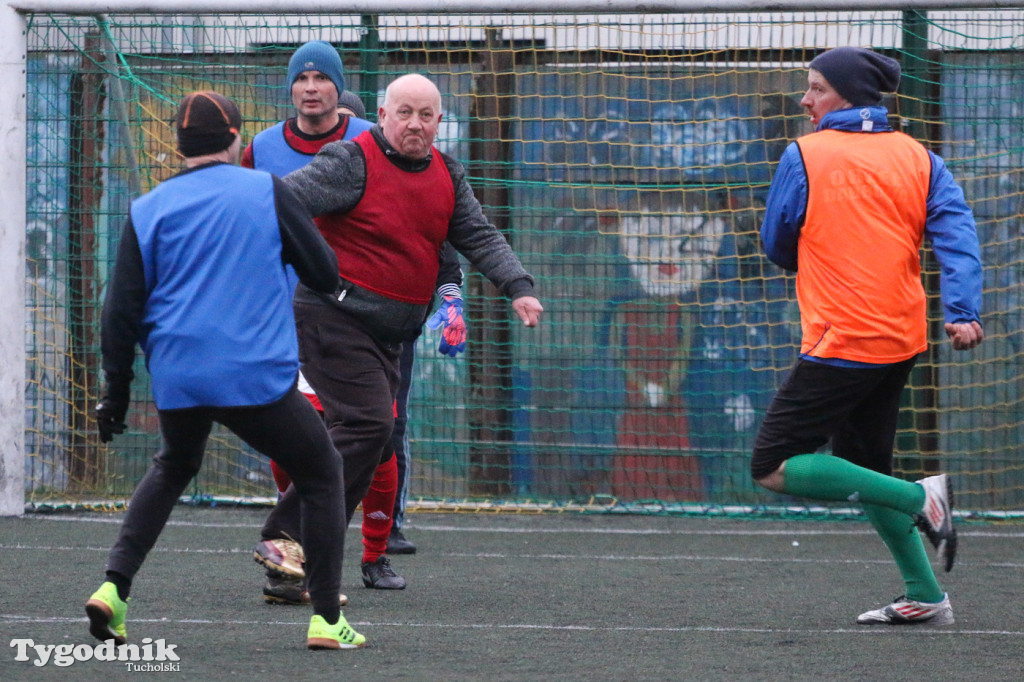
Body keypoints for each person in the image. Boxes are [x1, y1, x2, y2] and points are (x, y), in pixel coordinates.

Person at [86, 91, 364, 650]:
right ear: (237, 138)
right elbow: (321, 267)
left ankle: (113, 589)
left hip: (179, 376)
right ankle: (329, 619)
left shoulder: (148, 209)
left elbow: (119, 312)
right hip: (252, 376)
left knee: (173, 465)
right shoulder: (265, 189)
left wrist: (114, 394)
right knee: (323, 471)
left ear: (179, 145)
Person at [257, 73, 542, 581]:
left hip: (391, 334)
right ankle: (286, 533)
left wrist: (517, 286)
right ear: (382, 116)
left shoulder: (446, 173)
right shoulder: (350, 161)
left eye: (425, 115)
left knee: (367, 444)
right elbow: (280, 198)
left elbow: (477, 233)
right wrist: (288, 257)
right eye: (404, 112)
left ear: (438, 121)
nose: (414, 123)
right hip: (333, 318)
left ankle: (297, 563)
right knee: (369, 425)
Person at [753, 47, 984, 627]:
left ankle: (921, 499)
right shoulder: (919, 156)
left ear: (847, 95)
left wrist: (815, 249)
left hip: (842, 339)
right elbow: (957, 234)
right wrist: (962, 311)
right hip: (901, 339)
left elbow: (777, 244)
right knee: (867, 467)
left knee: (772, 464)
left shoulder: (804, 153)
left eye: (815, 89)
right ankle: (926, 596)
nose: (805, 100)